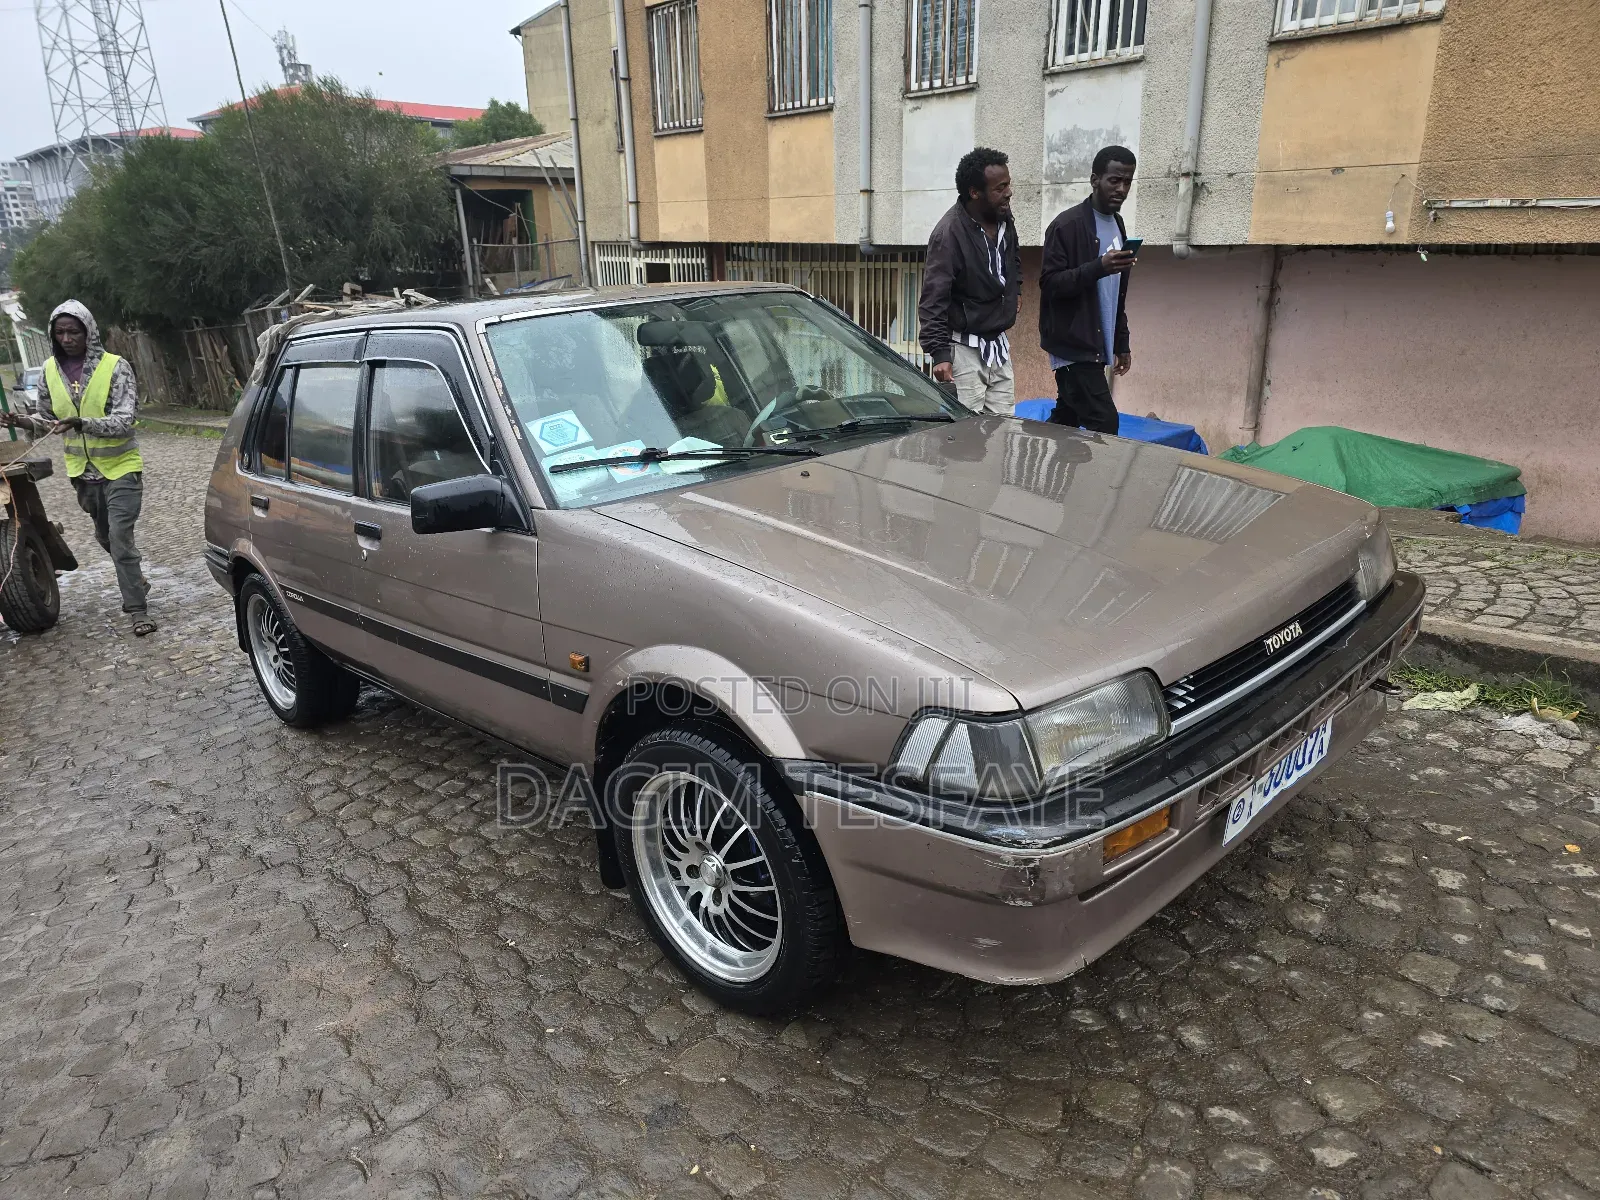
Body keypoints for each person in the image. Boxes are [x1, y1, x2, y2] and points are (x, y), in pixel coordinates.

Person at [0, 300, 155, 635]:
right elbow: (47, 421)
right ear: (53, 336)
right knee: (104, 536)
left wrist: (82, 422)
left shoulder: (116, 367)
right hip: (83, 474)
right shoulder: (49, 372)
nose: (67, 338)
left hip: (122, 468)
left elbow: (125, 421)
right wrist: (22, 419)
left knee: (119, 536)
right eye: (60, 332)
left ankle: (137, 610)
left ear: (89, 332)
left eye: (74, 331)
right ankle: (136, 579)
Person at [1039, 145, 1138, 435]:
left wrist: (1121, 342)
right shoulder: (1066, 226)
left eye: (1128, 181)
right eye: (1114, 180)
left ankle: (1044, 473)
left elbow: (1116, 293)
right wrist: (1098, 266)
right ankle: (1093, 481)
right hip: (1074, 347)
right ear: (1095, 180)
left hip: (1097, 346)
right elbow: (1051, 284)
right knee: (1104, 422)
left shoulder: (1118, 225)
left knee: (1065, 422)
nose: (1121, 188)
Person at [917, 146, 1022, 416]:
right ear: (975, 192)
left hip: (997, 345)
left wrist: (1015, 292)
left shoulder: (1004, 220)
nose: (1008, 192)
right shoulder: (948, 234)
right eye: (1000, 188)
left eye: (1008, 184)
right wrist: (939, 353)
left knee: (1002, 433)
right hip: (963, 351)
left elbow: (1013, 260)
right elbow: (933, 299)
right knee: (965, 443)